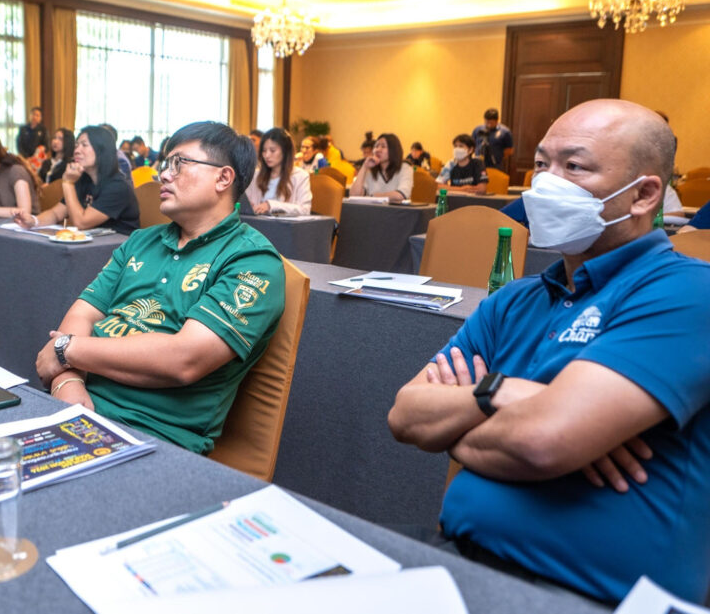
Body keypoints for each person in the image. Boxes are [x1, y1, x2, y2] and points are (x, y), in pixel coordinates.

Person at [387, 99, 710, 604]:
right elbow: (406, 415)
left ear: (644, 195)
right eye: (541, 164)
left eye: (574, 166)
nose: (545, 184)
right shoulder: (513, 300)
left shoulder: (687, 292)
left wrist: (464, 422)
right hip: (459, 557)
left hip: (588, 593)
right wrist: (505, 392)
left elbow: (542, 442)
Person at [34, 121, 285, 454]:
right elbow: (83, 313)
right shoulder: (141, 241)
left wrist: (65, 350)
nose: (163, 175)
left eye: (179, 164)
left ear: (223, 178)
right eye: (166, 164)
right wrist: (67, 383)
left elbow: (184, 359)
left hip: (151, 435)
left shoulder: (252, 260)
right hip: (75, 407)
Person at [14, 126, 139, 235]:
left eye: (84, 145)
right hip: (92, 244)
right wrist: (34, 221)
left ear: (102, 150)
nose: (77, 151)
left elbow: (81, 222)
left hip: (120, 248)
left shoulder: (118, 186)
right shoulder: (83, 179)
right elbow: (56, 213)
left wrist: (68, 183)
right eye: (76, 145)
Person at [245, 127, 311, 215]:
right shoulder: (256, 175)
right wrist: (248, 206)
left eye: (272, 151)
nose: (267, 155)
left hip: (284, 223)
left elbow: (305, 210)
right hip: (257, 222)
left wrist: (271, 205)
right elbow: (247, 201)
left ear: (285, 151)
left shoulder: (300, 176)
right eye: (264, 151)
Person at [351, 133, 412, 203]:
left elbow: (400, 195)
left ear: (394, 150)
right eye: (376, 146)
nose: (378, 150)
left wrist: (372, 196)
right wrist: (364, 167)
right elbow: (354, 195)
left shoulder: (405, 168)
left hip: (396, 209)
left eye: (383, 146)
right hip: (372, 209)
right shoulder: (370, 170)